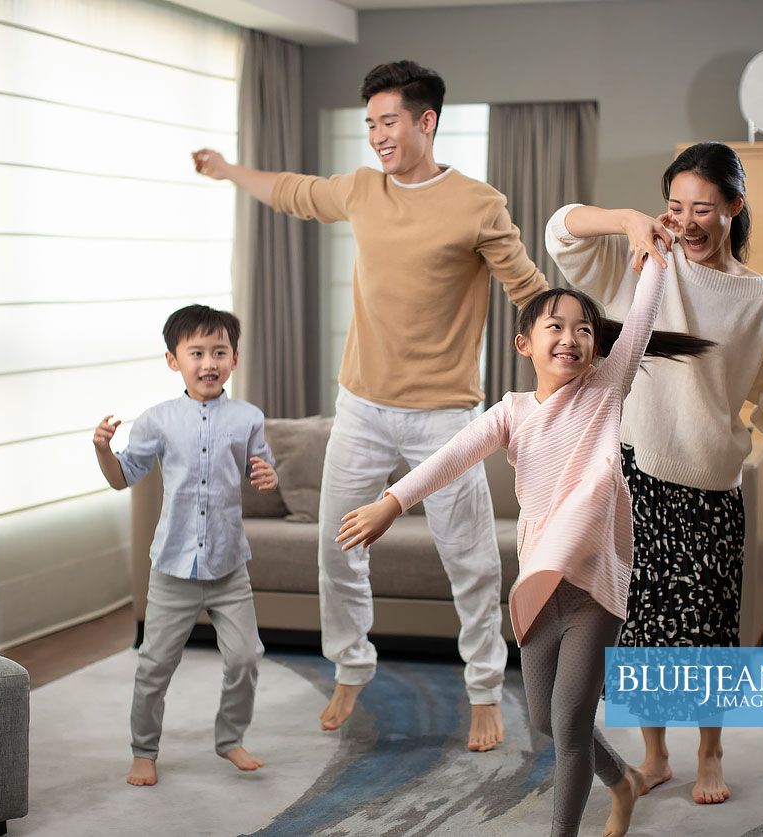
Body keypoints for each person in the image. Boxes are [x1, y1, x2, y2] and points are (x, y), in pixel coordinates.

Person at [192, 60, 548, 750]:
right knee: (338, 544)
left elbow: (528, 292)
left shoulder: (478, 203)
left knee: (469, 560)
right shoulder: (360, 189)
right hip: (359, 408)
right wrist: (230, 170)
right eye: (370, 125)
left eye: (389, 122)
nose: (378, 136)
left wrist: (570, 358)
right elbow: (291, 191)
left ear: (425, 121)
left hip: (444, 417)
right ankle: (351, 665)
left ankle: (483, 688)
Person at [336, 254, 712, 836]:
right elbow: (452, 456)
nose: (572, 338)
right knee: (545, 719)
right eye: (555, 327)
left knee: (568, 721)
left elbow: (639, 318)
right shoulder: (512, 412)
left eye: (585, 329)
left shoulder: (605, 391)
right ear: (524, 344)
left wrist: (654, 254)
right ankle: (625, 784)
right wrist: (392, 501)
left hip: (593, 585)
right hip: (539, 582)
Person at [546, 141, 763, 805]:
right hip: (629, 473)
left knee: (703, 624)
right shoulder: (637, 260)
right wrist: (629, 221)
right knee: (635, 620)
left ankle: (709, 752)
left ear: (734, 207)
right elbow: (560, 226)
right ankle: (655, 753)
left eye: (703, 208)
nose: (687, 220)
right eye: (675, 206)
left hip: (706, 481)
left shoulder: (757, 297)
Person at [92, 304, 279, 787]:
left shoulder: (249, 418)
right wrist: (102, 451)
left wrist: (267, 475)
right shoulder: (156, 421)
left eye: (219, 352)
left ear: (235, 359)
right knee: (155, 665)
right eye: (196, 352)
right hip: (173, 568)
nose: (209, 362)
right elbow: (123, 479)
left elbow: (262, 470)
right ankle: (143, 750)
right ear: (174, 360)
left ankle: (230, 739)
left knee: (244, 657)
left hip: (229, 567)